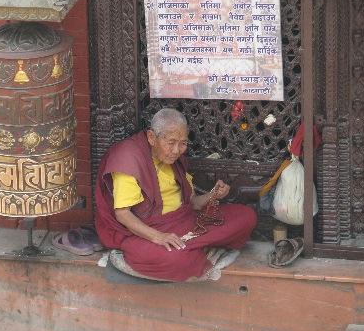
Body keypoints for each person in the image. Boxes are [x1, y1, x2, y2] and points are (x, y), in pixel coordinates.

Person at [95, 108, 257, 281]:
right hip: (146, 232)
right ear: (151, 137)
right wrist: (159, 237)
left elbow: (192, 203)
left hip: (183, 221)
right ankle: (194, 249)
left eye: (183, 143)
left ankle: (191, 247)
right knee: (177, 261)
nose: (177, 150)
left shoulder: (174, 158)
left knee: (247, 217)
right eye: (171, 142)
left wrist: (213, 195)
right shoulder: (128, 158)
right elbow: (123, 215)